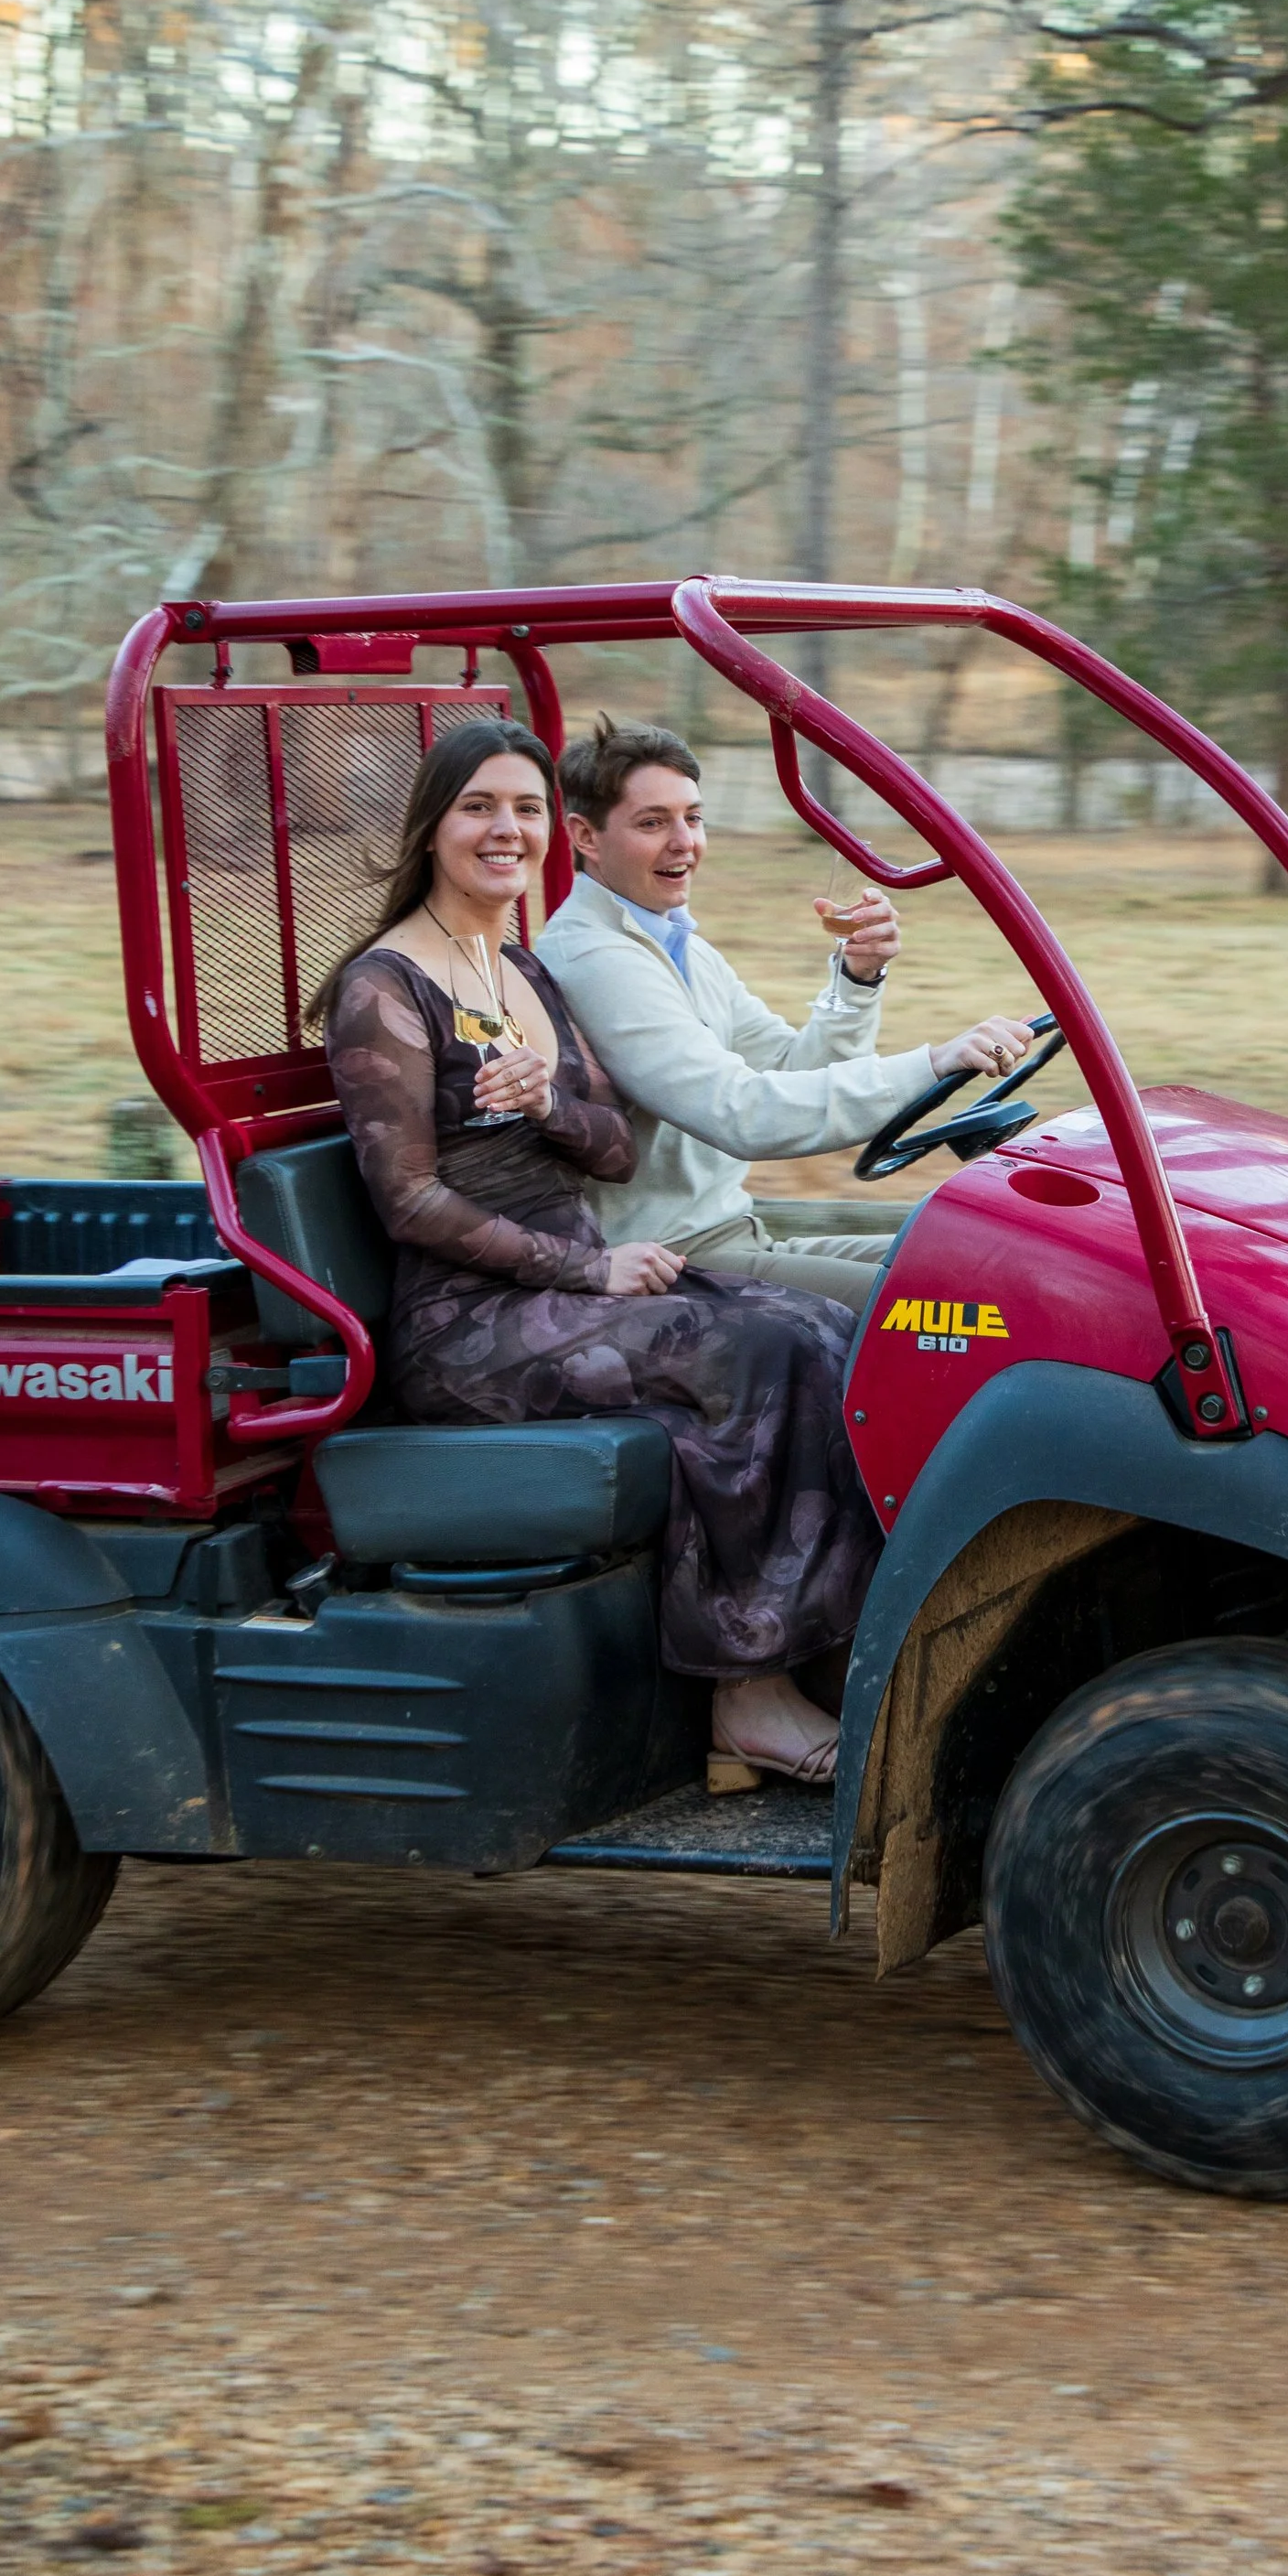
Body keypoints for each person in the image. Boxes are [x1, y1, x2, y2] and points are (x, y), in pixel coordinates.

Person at [311, 716, 878, 1787]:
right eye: (480, 805)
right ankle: (745, 1695)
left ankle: (824, 1652)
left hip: (570, 1294)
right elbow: (411, 1203)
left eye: (524, 809)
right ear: (434, 824)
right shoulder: (384, 988)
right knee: (758, 1349)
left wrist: (551, 1104)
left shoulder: (522, 970)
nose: (505, 828)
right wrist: (587, 1269)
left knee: (821, 1325)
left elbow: (616, 1152)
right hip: (472, 1328)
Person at [534, 717, 1037, 1310]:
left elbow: (793, 1068)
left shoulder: (675, 942)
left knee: (988, 1258)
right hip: (665, 1264)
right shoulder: (596, 959)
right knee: (963, 1309)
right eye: (652, 823)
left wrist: (857, 978)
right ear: (586, 837)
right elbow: (744, 1116)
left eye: (692, 818)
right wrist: (932, 1063)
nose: (684, 843)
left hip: (730, 1235)